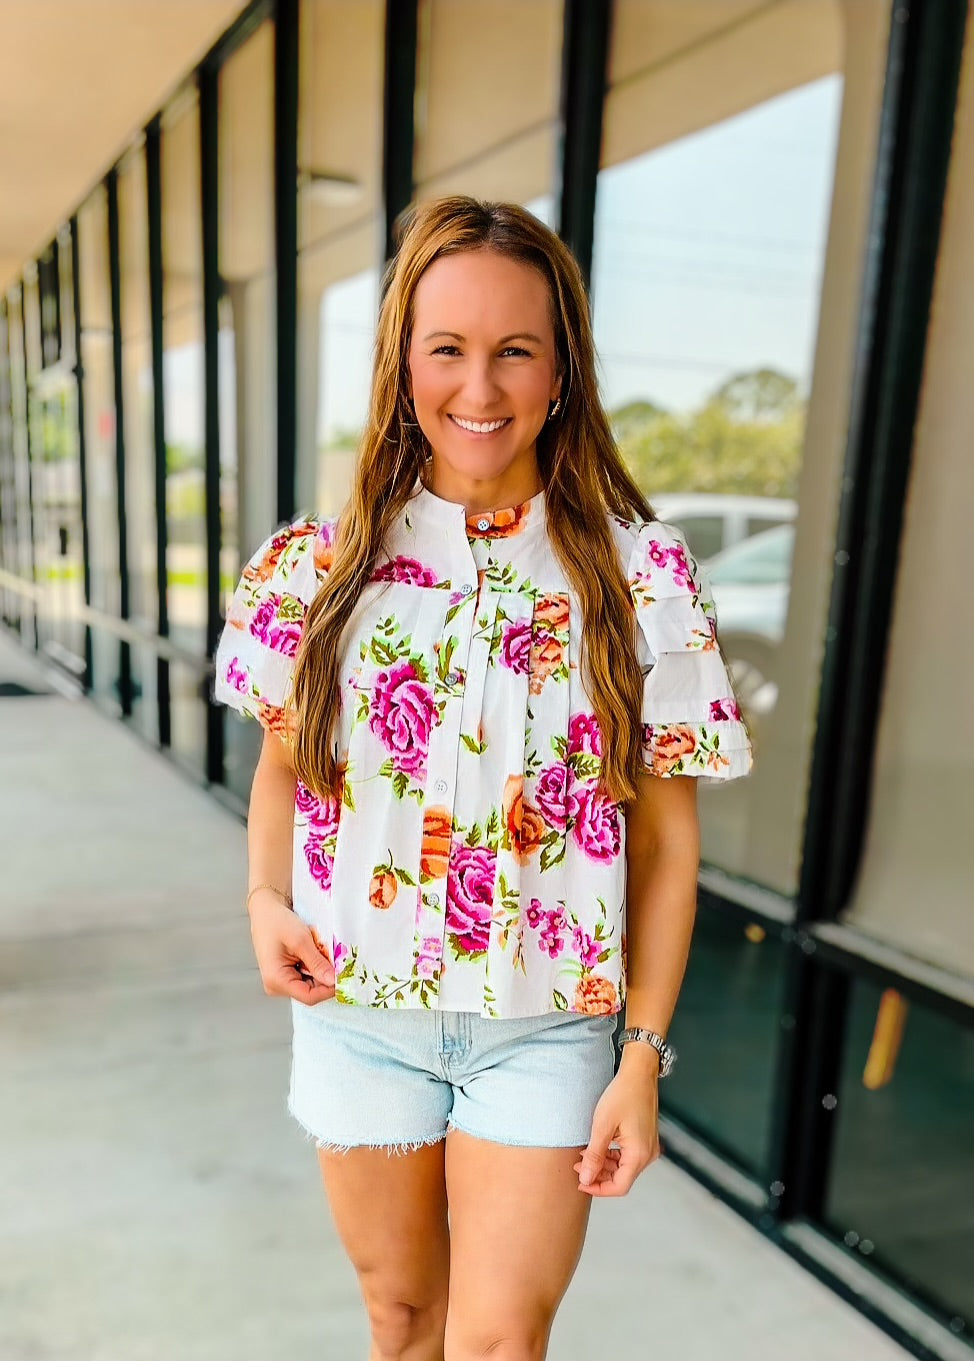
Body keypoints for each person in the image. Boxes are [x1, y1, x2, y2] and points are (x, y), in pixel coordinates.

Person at [214, 196, 751, 1361]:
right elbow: (284, 772)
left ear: (560, 370)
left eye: (515, 349)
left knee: (498, 1338)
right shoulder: (315, 567)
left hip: (546, 1031)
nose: (479, 385)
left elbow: (665, 846)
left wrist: (641, 1055)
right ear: (401, 362)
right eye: (446, 348)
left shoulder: (638, 576)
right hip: (357, 1017)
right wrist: (263, 899)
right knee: (401, 1318)